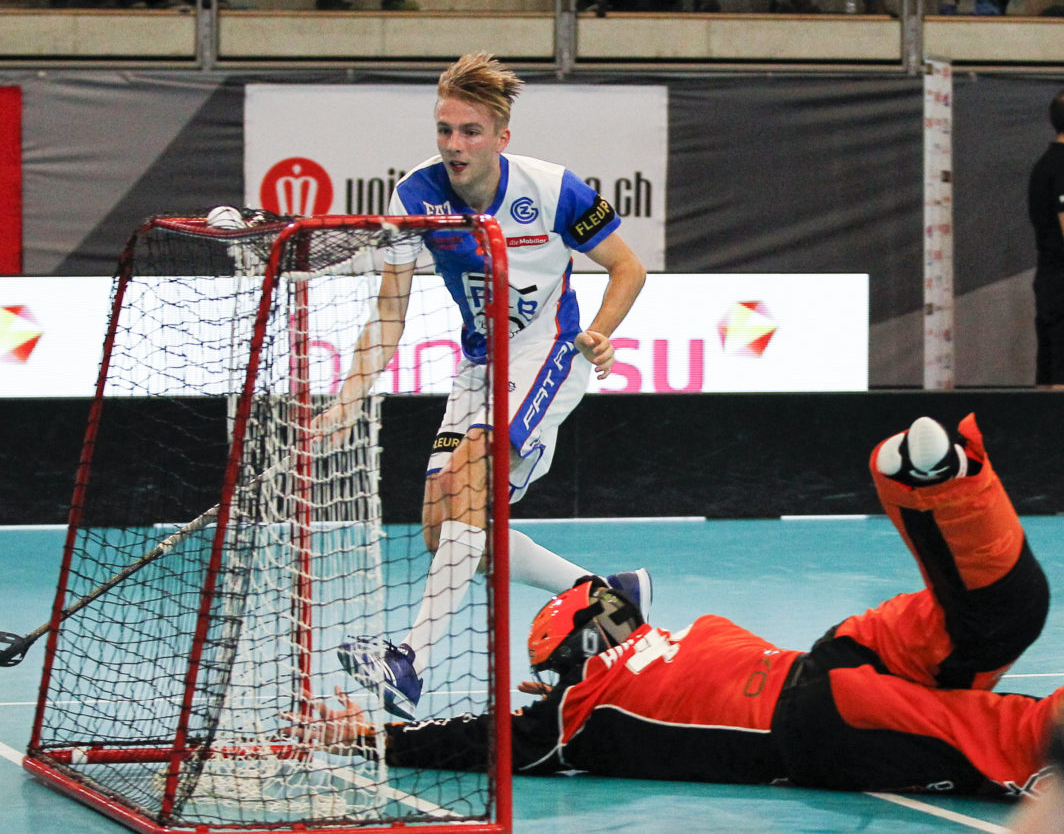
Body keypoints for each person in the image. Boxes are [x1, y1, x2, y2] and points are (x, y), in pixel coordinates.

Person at [289, 414, 1063, 800]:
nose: (627, 613)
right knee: (996, 619)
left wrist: (370, 735)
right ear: (609, 629)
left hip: (821, 710)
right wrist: (571, 689)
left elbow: (476, 736)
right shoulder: (658, 654)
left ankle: (937, 481)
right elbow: (512, 720)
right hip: (831, 668)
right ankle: (935, 481)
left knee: (1014, 709)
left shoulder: (581, 711)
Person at [316, 51, 648, 721]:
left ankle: (408, 662)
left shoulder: (555, 190)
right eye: (445, 130)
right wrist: (345, 401)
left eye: (470, 131)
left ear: (501, 135)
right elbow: (389, 313)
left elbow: (627, 267)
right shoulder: (416, 195)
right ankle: (608, 599)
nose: (455, 145)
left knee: (469, 481)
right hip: (479, 366)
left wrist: (601, 332)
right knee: (443, 528)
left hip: (549, 354)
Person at [1028, 88, 1064, 388]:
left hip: (1050, 285)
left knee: (1049, 370)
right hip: (1060, 287)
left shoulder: (1045, 164)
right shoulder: (1060, 166)